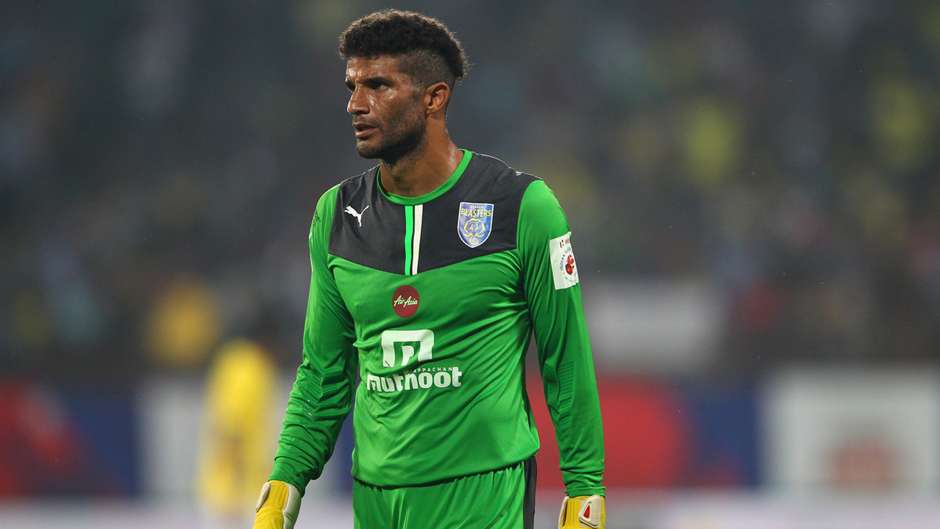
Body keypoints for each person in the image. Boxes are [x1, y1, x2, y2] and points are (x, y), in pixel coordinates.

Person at [252, 9, 605, 529]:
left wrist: (585, 493)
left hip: (486, 496)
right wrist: (283, 488)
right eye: (352, 86)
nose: (355, 104)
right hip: (377, 500)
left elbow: (566, 359)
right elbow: (323, 375)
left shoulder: (521, 207)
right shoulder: (336, 216)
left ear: (434, 98)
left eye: (377, 85)